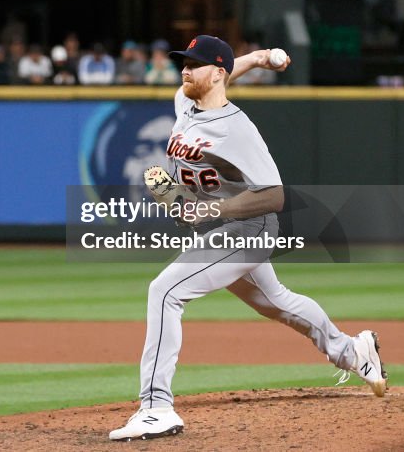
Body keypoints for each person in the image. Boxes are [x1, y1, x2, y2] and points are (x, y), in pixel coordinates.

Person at [108, 35, 388, 442]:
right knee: (276, 302)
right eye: (183, 62)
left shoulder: (238, 131)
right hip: (222, 227)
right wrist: (257, 58)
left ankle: (156, 407)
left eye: (194, 64)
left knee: (165, 291)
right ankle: (352, 350)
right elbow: (228, 68)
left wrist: (207, 210)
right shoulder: (185, 102)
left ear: (216, 73)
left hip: (249, 229)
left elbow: (273, 196)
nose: (185, 70)